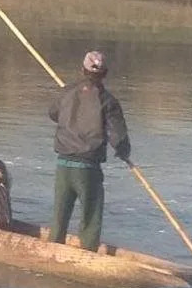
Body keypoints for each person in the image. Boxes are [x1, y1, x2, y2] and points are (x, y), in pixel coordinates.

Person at [47, 50, 131, 251]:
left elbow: (53, 114)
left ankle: (53, 249)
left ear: (82, 70)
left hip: (63, 166)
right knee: (91, 215)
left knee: (59, 215)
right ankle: (87, 252)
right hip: (88, 169)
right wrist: (123, 152)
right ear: (105, 73)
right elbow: (118, 137)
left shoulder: (66, 92)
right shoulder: (108, 101)